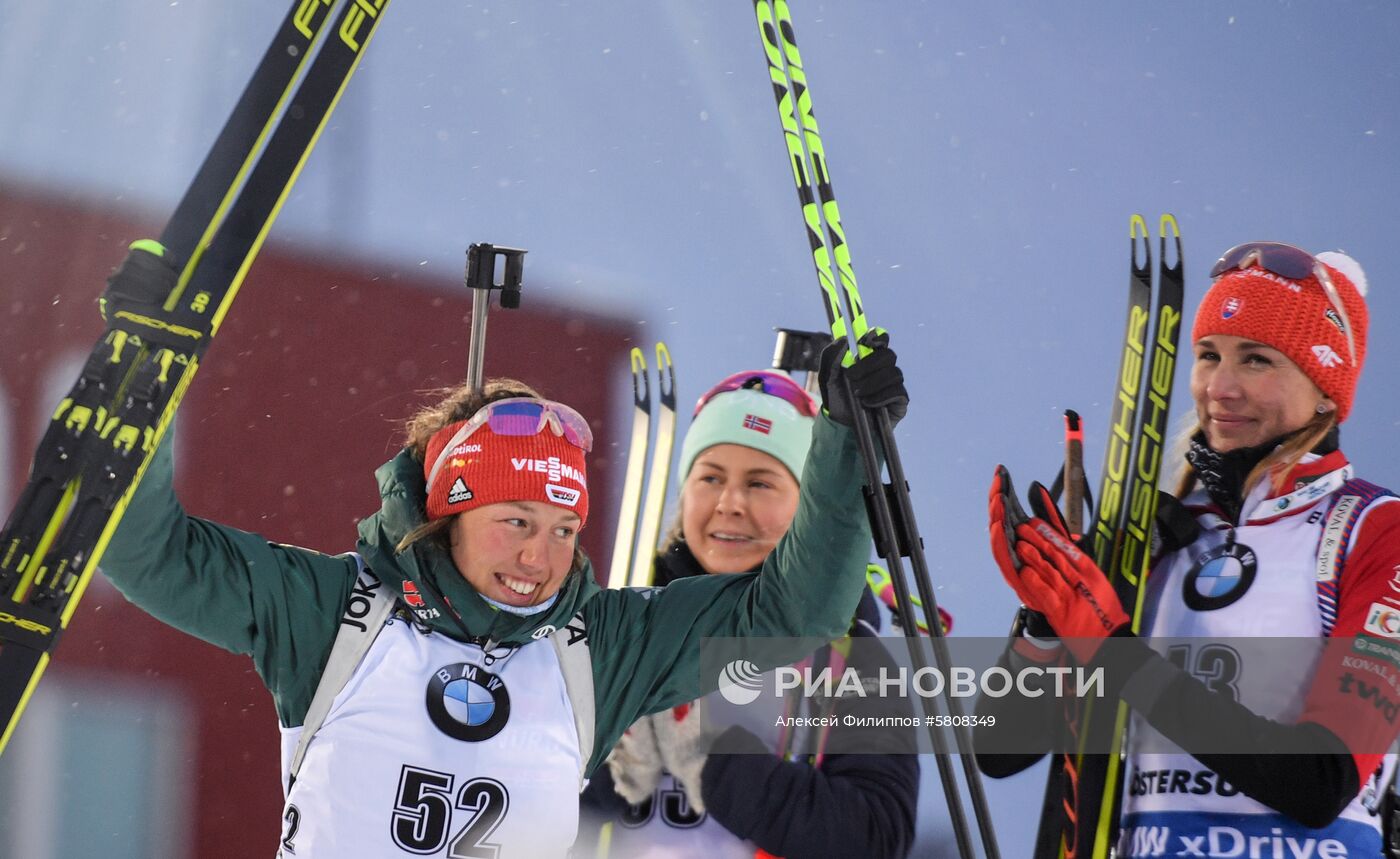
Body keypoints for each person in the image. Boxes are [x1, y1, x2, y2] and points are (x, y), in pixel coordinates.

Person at [96, 243, 910, 858]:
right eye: (516, 522)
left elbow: (800, 613)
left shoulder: (599, 645)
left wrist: (841, 440)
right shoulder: (338, 614)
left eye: (563, 529)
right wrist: (145, 369)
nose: (541, 557)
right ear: (450, 512)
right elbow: (152, 554)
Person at [981, 242, 1400, 856]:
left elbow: (1319, 780)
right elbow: (999, 751)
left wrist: (1112, 652)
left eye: (1257, 360)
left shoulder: (1373, 529)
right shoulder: (1162, 533)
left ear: (1325, 390)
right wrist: (1046, 617)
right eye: (1208, 356)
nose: (1220, 388)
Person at [575, 367, 919, 859]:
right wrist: (607, 759)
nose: (730, 503)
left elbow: (875, 839)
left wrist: (712, 761)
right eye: (710, 477)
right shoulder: (623, 626)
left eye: (760, 484)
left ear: (808, 507)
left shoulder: (851, 657)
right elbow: (523, 800)